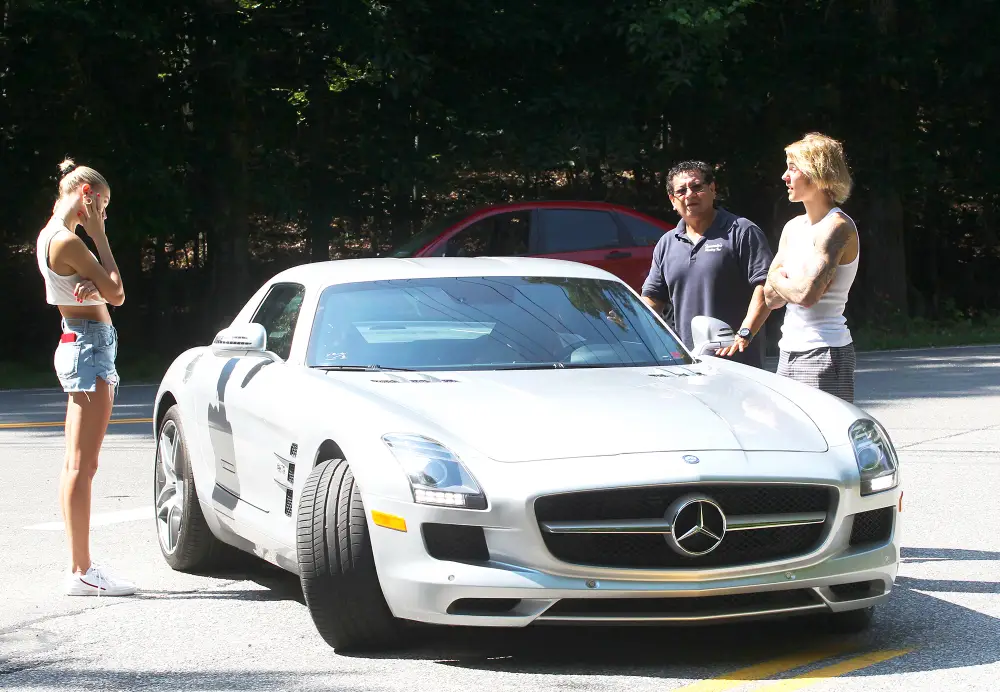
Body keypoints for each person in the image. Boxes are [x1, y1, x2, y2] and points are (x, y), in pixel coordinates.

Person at [36, 158, 135, 596]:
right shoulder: (71, 241)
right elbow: (118, 292)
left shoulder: (50, 236)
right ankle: (82, 570)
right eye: (104, 206)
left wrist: (96, 285)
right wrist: (100, 237)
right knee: (83, 464)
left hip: (81, 340)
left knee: (76, 463)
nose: (105, 215)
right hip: (90, 346)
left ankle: (80, 566)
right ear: (87, 198)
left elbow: (100, 288)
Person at [641, 160, 775, 368]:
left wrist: (745, 333)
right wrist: (627, 317)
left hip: (738, 362)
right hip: (689, 362)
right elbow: (653, 298)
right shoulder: (667, 243)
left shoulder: (741, 231)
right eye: (681, 191)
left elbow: (765, 287)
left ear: (712, 189)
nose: (690, 195)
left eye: (697, 187)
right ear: (672, 200)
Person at [763, 133, 860, 403]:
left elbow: (807, 295)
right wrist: (783, 282)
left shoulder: (837, 226)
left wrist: (778, 277)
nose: (785, 176)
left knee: (826, 441)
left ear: (817, 173)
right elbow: (770, 298)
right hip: (788, 351)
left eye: (793, 168)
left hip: (824, 351)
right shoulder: (793, 227)